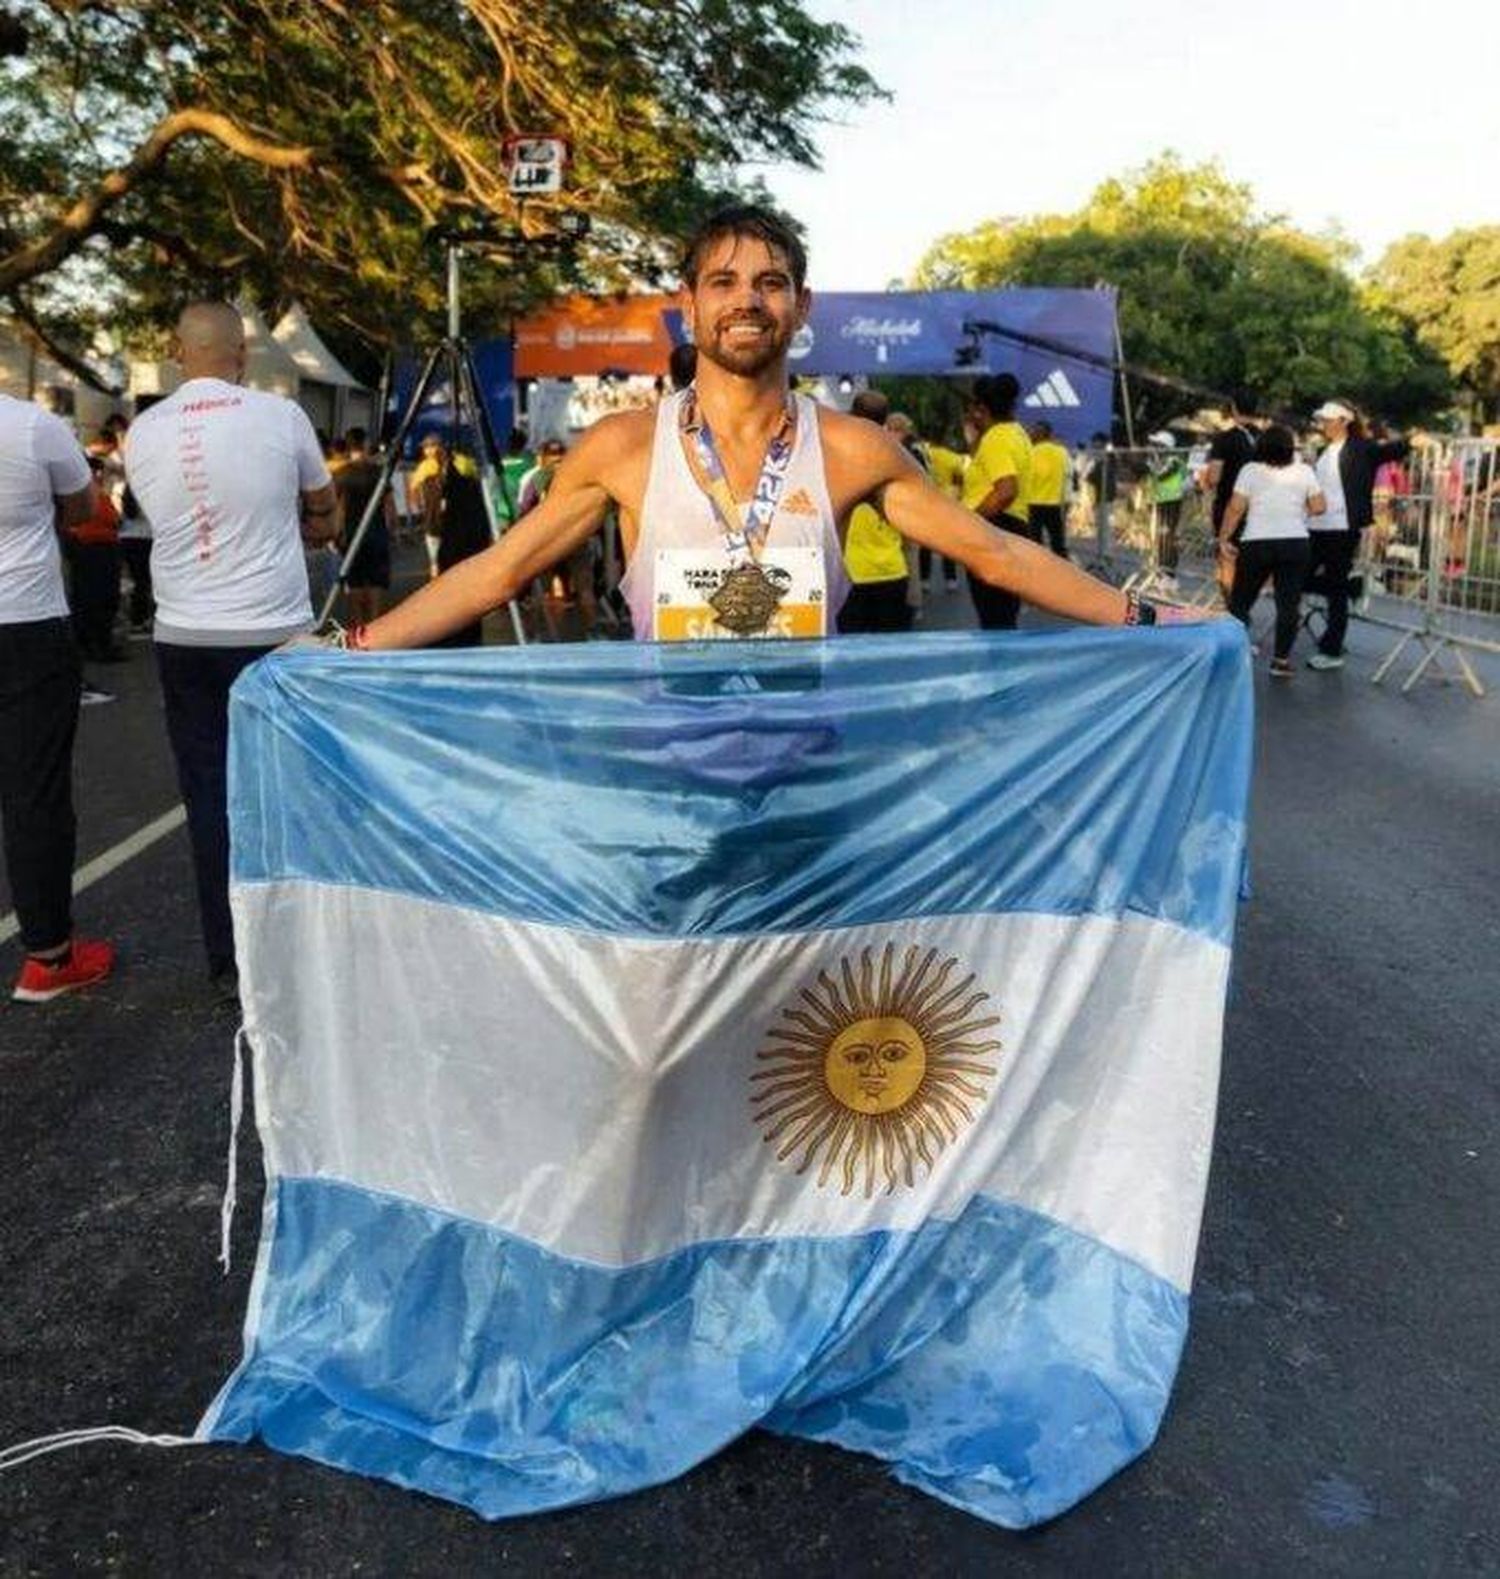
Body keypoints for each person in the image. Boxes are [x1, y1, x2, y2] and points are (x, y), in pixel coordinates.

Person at [333, 205, 1189, 654]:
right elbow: (499, 570)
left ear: (800, 307)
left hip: (809, 780)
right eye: (725, 281)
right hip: (668, 783)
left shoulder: (855, 448)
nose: (748, 298)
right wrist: (352, 643)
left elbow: (995, 552)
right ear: (691, 305)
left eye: (771, 282)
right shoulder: (624, 448)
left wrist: (1148, 619)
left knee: (816, 997)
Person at [124, 301, 337, 989]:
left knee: (210, 797)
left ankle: (231, 955)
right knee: (285, 792)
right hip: (273, 633)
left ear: (177, 351)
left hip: (184, 635)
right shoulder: (283, 417)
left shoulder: (143, 432)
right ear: (241, 353)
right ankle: (294, 947)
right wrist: (308, 524)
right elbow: (325, 508)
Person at [0, 390, 116, 1002]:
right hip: (25, 625)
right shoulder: (30, 426)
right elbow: (83, 507)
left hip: (29, 628)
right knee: (33, 792)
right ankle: (48, 955)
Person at [1304, 400, 1409, 671]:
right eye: (1322, 420)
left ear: (1344, 421)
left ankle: (1332, 648)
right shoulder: (1324, 450)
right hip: (1316, 525)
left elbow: (1393, 450)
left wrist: (1412, 439)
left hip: (1343, 527)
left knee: (1335, 589)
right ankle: (1354, 588)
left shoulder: (1362, 448)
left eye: (1328, 420)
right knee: (1300, 578)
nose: (1323, 424)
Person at [1217, 424, 1325, 678]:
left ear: (1261, 447)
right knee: (1288, 604)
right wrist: (1299, 513)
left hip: (1257, 541)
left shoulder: (1250, 471)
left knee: (1241, 600)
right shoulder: (1304, 471)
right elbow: (1320, 506)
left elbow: (1235, 508)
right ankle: (1281, 660)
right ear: (1290, 449)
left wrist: (1223, 538)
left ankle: (1235, 653)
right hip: (1295, 542)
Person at [960, 373, 1035, 630]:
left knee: (994, 620)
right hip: (1011, 528)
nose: (968, 414)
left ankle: (999, 669)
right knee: (1003, 618)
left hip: (994, 530)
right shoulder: (1017, 433)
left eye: (971, 408)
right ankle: (1003, 667)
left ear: (981, 409)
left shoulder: (995, 438)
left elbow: (1005, 490)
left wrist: (968, 522)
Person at [838, 391, 913, 633]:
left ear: (851, 416)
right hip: (892, 572)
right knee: (891, 659)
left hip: (850, 576)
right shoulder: (902, 460)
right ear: (885, 420)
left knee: (850, 658)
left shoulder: (834, 458)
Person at [66, 455, 126, 661]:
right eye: (95, 471)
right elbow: (111, 519)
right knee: (97, 599)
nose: (100, 475)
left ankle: (96, 643)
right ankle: (97, 645)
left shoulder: (98, 493)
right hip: (92, 549)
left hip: (96, 549)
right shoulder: (89, 494)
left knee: (96, 598)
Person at [334, 426, 395, 627]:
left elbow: (339, 509)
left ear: (348, 445)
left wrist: (336, 536)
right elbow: (389, 507)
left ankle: (356, 636)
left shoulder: (340, 474)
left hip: (351, 537)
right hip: (376, 534)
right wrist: (392, 533)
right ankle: (374, 632)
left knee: (353, 585)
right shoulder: (380, 472)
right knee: (375, 584)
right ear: (366, 444)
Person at [1148, 432, 1189, 590]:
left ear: (1165, 447)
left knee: (1166, 538)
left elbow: (1160, 475)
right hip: (1160, 502)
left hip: (1170, 502)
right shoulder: (1161, 460)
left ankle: (1168, 575)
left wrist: (1149, 464)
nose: (1154, 448)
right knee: (1160, 538)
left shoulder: (1173, 461)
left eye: (1157, 445)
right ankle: (1161, 572)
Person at [1028, 421, 1070, 558]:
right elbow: (1067, 474)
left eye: (1033, 431)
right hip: (1054, 504)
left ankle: (1037, 571)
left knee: (1034, 543)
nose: (1031, 434)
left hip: (1033, 503)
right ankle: (1064, 571)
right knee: (1058, 543)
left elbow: (1028, 477)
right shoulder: (1061, 452)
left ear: (1038, 434)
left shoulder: (1030, 452)